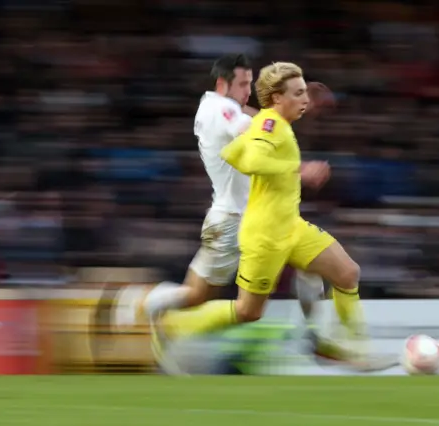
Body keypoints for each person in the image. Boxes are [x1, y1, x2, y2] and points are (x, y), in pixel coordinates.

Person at [160, 61, 382, 369]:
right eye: (298, 93)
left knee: (346, 273)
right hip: (264, 232)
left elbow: (234, 152)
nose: (305, 100)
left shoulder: (268, 121)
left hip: (290, 225)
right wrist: (299, 170)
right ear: (278, 98)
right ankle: (176, 326)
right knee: (248, 311)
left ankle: (353, 348)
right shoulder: (262, 123)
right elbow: (250, 160)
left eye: (305, 93)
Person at [115, 55, 333, 364]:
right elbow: (256, 130)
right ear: (223, 84)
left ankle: (313, 337)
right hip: (233, 220)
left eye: (249, 83)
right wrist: (302, 167)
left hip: (253, 216)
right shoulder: (221, 110)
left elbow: (257, 119)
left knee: (309, 260)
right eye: (243, 84)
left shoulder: (216, 106)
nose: (248, 91)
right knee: (196, 296)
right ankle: (141, 302)